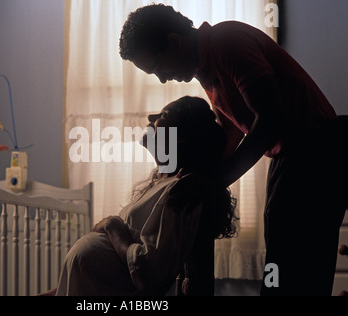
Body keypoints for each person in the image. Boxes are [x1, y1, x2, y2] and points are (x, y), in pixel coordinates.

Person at [119, 4, 348, 296]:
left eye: (158, 68)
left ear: (174, 42)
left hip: (315, 148)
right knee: (285, 252)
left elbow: (270, 120)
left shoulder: (227, 43)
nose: (163, 79)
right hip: (293, 151)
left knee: (294, 256)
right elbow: (231, 128)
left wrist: (212, 182)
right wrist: (194, 176)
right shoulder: (205, 67)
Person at [48, 96, 238, 296]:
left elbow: (148, 272)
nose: (151, 116)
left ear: (181, 137)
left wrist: (113, 227)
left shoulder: (180, 192)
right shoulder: (159, 185)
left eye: (164, 115)